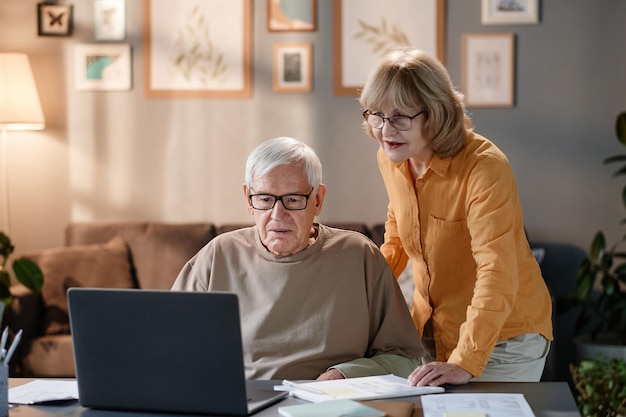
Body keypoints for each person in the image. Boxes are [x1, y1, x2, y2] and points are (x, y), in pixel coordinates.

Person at [358, 47, 553, 386]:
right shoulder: (392, 155)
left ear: (435, 114)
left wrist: (465, 361)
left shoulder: (484, 167)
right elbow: (395, 243)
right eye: (376, 115)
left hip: (505, 337)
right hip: (433, 331)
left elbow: (497, 271)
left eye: (400, 117)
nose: (385, 130)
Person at [171, 136, 429, 380]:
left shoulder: (359, 256)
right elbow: (169, 348)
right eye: (264, 199)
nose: (277, 214)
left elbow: (405, 360)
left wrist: (346, 374)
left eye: (293, 199)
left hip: (330, 403)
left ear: (317, 200)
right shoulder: (218, 256)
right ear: (248, 200)